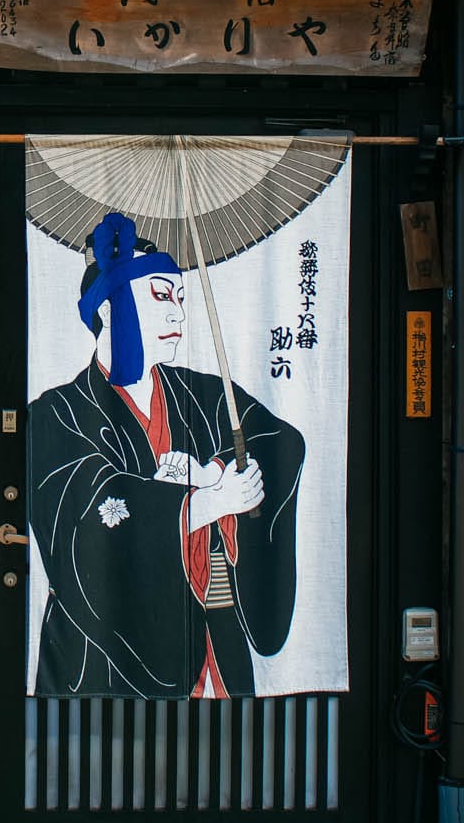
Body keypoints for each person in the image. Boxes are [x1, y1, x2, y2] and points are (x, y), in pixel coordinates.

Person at [28, 211, 304, 699]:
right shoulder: (56, 413)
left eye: (180, 298)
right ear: (111, 308)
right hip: (102, 656)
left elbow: (280, 440)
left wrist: (217, 469)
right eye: (160, 297)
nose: (178, 315)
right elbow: (83, 508)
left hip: (212, 639)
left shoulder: (200, 393)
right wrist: (206, 503)